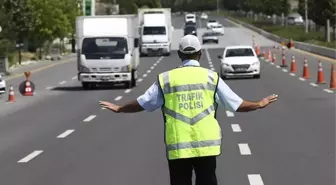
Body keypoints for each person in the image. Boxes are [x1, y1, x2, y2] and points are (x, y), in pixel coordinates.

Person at [99, 35, 278, 185]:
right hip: (206, 147)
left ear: (179, 54)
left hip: (178, 148)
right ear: (200, 54)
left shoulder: (166, 79)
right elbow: (236, 104)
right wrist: (259, 104)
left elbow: (143, 103)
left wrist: (120, 108)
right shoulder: (211, 78)